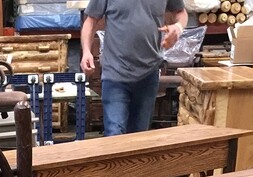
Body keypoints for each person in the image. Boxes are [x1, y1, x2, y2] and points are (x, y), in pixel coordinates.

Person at [80, 0, 188, 137]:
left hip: (148, 74)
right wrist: (86, 52)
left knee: (139, 138)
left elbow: (181, 13)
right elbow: (90, 21)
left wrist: (178, 27)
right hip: (115, 73)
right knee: (114, 134)